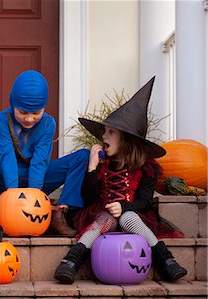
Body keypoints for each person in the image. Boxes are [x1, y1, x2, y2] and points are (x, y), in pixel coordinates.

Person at [54, 77, 187, 284]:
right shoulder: (103, 164)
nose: (104, 137)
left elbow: (145, 200)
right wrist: (91, 168)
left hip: (134, 214)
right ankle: (71, 261)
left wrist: (124, 207)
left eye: (110, 132)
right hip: (101, 214)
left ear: (126, 139)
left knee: (127, 218)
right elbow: (88, 197)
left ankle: (166, 260)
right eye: (104, 132)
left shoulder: (147, 166)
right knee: (107, 219)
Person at [0, 70, 89, 235]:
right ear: (13, 104)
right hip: (4, 178)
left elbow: (41, 160)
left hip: (39, 180)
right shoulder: (3, 120)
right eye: (23, 112)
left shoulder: (48, 123)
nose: (29, 118)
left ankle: (61, 214)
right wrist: (12, 193)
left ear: (44, 108)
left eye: (36, 113)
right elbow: (6, 155)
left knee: (82, 157)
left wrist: (34, 196)